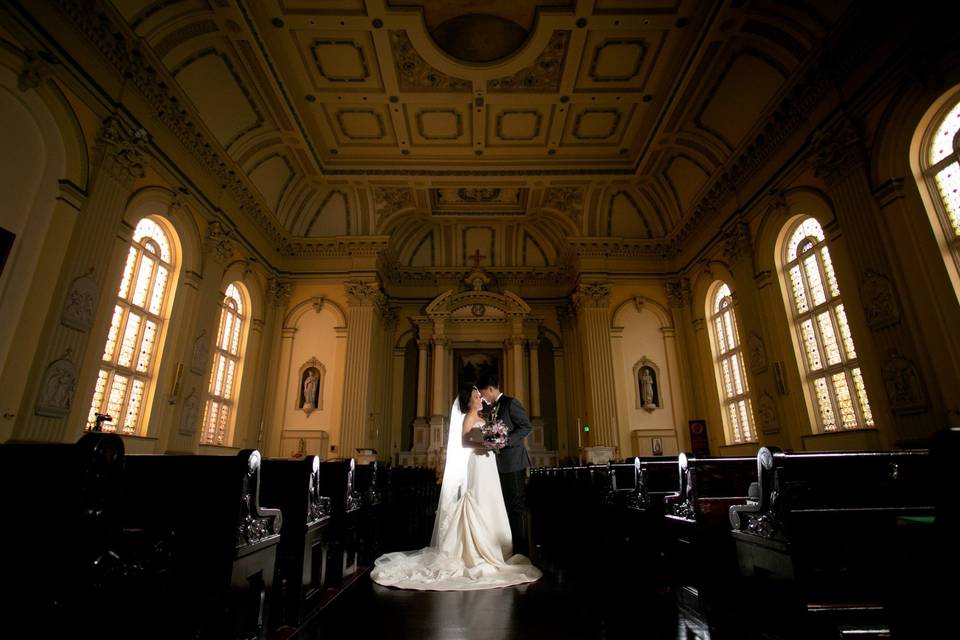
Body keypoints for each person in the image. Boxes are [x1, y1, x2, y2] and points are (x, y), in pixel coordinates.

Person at [370, 386, 541, 590]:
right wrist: (486, 443)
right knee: (478, 499)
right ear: (469, 402)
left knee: (492, 501)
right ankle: (476, 549)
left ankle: (497, 549)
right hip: (478, 462)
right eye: (477, 397)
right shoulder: (469, 418)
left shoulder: (483, 418)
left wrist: (494, 441)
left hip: (489, 464)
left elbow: (491, 437)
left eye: (480, 396)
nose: (480, 400)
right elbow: (465, 441)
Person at [477, 374, 533, 557]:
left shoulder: (510, 403)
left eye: (484, 393)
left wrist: (506, 440)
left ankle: (522, 550)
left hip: (514, 461)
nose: (483, 397)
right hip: (499, 463)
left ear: (491, 389)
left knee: (516, 506)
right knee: (506, 505)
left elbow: (526, 426)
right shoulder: (492, 408)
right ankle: (510, 547)